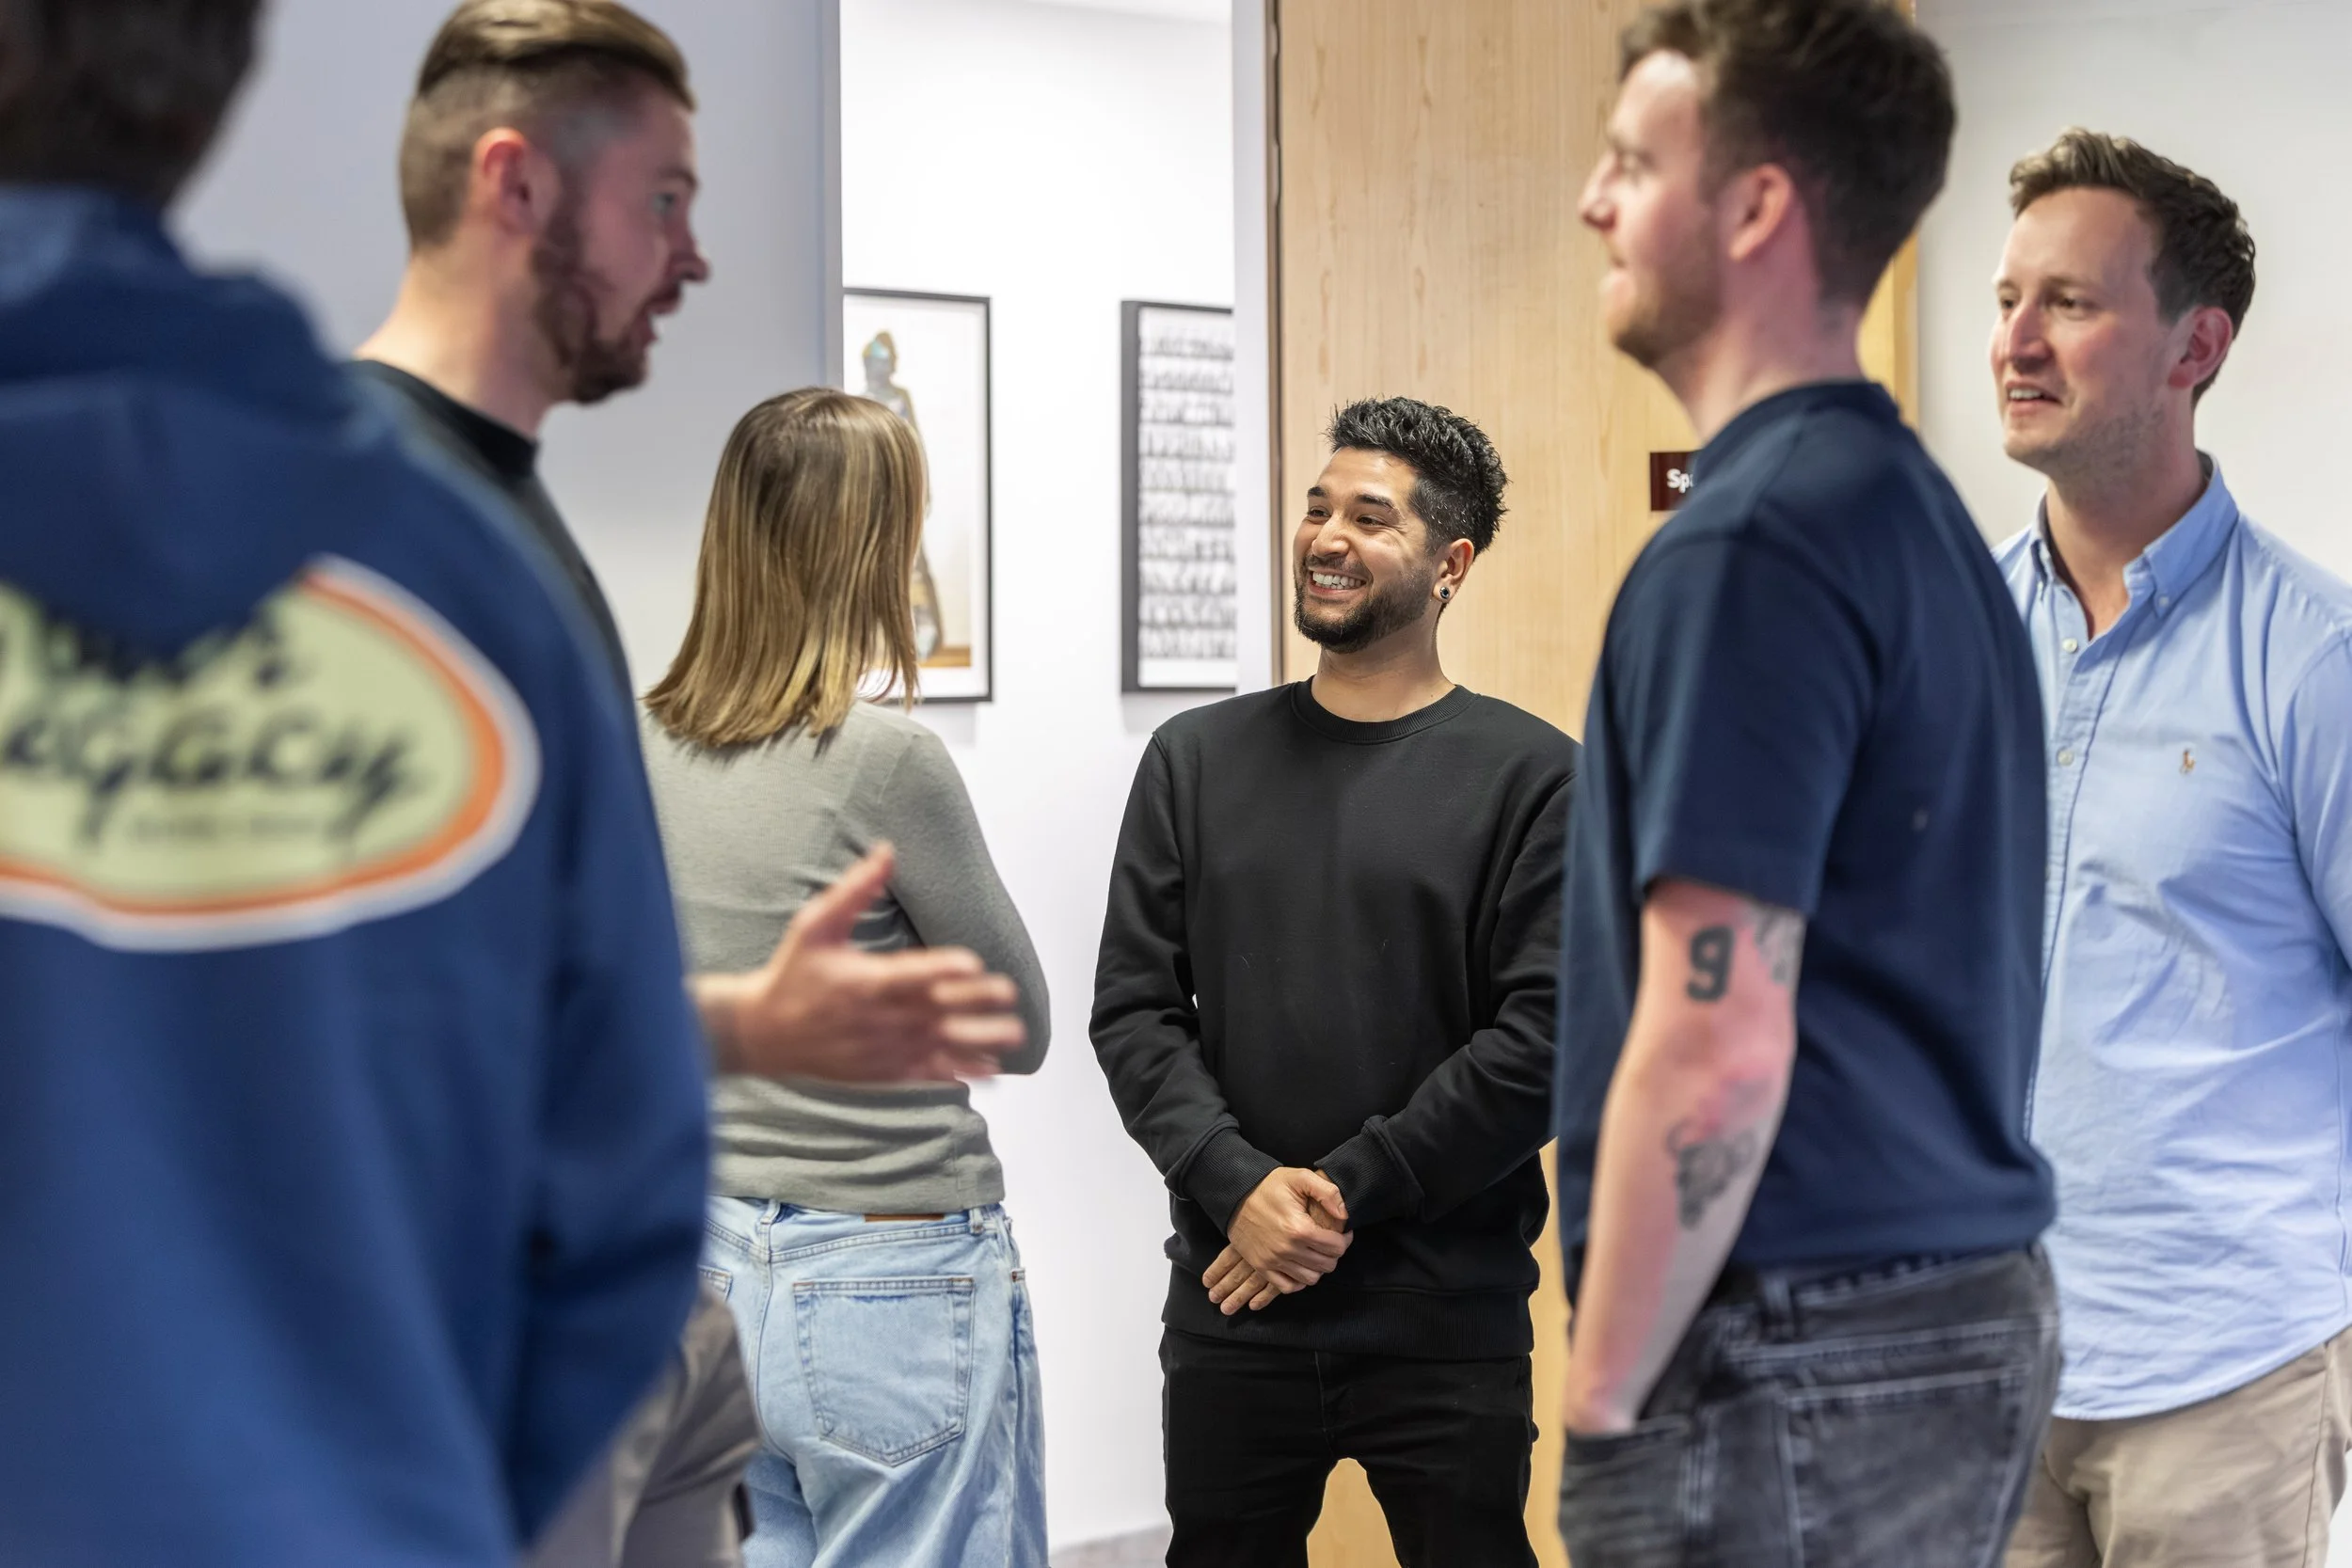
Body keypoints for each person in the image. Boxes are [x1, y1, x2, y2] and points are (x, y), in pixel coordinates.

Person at [0, 3, 707, 1563]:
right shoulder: (470, 584)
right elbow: (624, 1188)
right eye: (669, 200)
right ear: (219, 81)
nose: (694, 254)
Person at [349, 5, 1029, 1563]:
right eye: (664, 200)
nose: (701, 256)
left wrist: (732, 1030)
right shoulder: (379, 523)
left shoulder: (519, 539)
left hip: (647, 1297)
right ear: (514, 186)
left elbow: (529, 984)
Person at [1551, 3, 2060, 1563]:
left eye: (1635, 163)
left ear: (1756, 205)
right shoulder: (1913, 520)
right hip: (1946, 1308)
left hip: (1794, 1342)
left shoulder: (1750, 546)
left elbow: (1715, 1040)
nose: (1593, 199)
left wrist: (1602, 1396)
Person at [1093, 396, 1576, 1567]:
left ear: (1449, 564)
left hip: (1442, 1310)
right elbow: (1136, 1010)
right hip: (1232, 1297)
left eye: (1371, 516)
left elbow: (1546, 1040)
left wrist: (1340, 1194)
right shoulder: (1195, 760)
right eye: (1316, 506)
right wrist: (1236, 1184)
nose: (1325, 535)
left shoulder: (1534, 776)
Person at [1986, 131, 2352, 1568]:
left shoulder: (2313, 662)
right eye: (2008, 299)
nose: (2016, 339)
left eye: (2069, 302)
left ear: (2197, 343)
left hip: (2225, 1375)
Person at [642, 388, 1052, 1568]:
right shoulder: (887, 762)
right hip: (890, 1272)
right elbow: (1014, 1024)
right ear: (869, 550)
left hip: (701, 1262)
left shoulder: (631, 741)